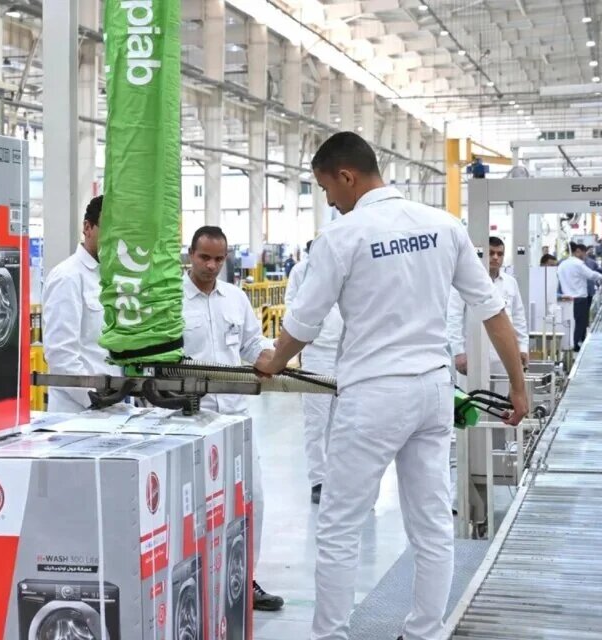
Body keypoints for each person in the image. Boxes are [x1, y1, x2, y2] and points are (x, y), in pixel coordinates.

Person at [252, 132, 527, 640]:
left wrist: (274, 361)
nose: (329, 201)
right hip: (433, 392)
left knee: (340, 525)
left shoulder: (343, 236)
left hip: (373, 395)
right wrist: (518, 385)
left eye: (327, 189)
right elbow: (492, 311)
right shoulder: (443, 226)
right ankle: (424, 632)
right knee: (432, 524)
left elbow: (304, 323)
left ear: (346, 176)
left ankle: (331, 635)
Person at [182, 225, 284, 613]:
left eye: (218, 259)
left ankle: (245, 577)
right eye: (204, 257)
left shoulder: (236, 299)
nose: (211, 266)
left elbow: (252, 345)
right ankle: (197, 582)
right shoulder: (172, 301)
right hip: (189, 418)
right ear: (190, 255)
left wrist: (275, 359)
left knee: (251, 498)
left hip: (234, 417)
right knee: (195, 507)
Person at [42, 195, 120, 412]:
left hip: (114, 407)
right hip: (79, 412)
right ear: (87, 227)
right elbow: (60, 354)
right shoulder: (67, 277)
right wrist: (94, 398)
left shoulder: (112, 278)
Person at [285, 239, 343, 504]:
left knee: (341, 420)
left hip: (344, 352)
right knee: (316, 420)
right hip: (317, 353)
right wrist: (300, 338)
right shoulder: (302, 271)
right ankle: (318, 479)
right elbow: (291, 305)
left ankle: (338, 477)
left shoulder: (343, 266)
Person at [449, 236, 529, 376]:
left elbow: (518, 318)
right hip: (473, 355)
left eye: (499, 254)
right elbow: (454, 317)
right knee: (473, 390)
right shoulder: (465, 281)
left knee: (503, 389)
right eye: (491, 253)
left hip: (504, 357)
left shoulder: (510, 283)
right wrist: (458, 352)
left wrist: (522, 347)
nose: (495, 257)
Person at [557, 241, 602, 351]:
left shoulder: (562, 265)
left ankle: (569, 343)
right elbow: (591, 275)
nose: (585, 256)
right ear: (578, 251)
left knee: (569, 323)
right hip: (579, 299)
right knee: (580, 323)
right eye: (584, 254)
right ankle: (575, 344)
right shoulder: (578, 264)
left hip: (566, 299)